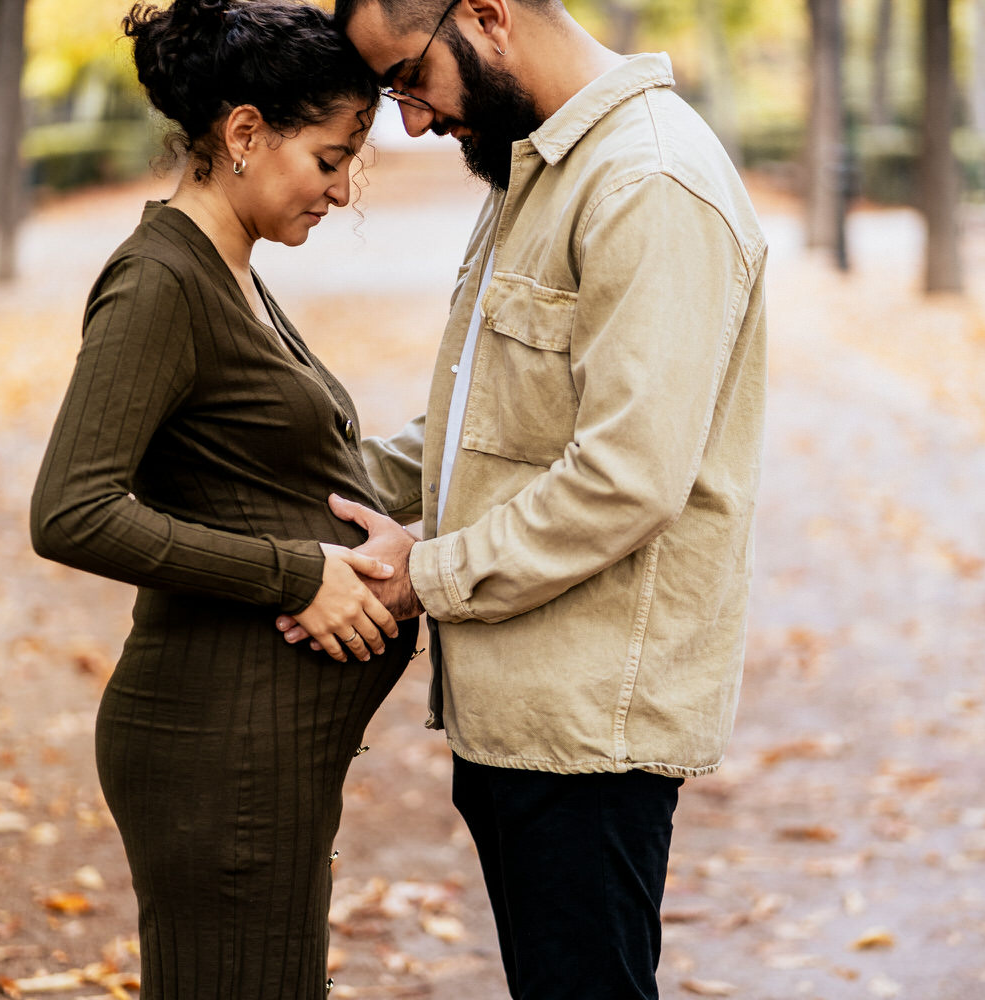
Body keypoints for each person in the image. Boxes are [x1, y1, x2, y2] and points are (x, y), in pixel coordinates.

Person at [277, 1, 769, 997]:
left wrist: (423, 572)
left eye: (409, 78)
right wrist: (291, 490)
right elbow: (476, 427)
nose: (408, 121)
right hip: (515, 713)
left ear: (490, 15)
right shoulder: (535, 170)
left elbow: (626, 477)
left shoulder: (649, 182)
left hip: (587, 735)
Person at [28, 1, 420, 996]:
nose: (342, 189)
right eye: (330, 158)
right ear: (244, 133)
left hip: (261, 746)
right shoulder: (160, 282)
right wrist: (299, 573)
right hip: (217, 748)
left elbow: (261, 474)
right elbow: (72, 507)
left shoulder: (230, 269)